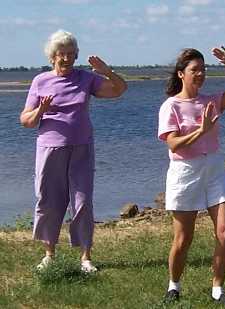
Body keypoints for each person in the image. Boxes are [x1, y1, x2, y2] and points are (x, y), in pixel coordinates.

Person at [20, 30, 127, 273]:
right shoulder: (40, 81)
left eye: (71, 54)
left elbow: (119, 90)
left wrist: (107, 71)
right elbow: (25, 120)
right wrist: (41, 111)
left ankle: (85, 257)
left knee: (82, 202)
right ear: (52, 56)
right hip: (49, 148)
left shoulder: (86, 78)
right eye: (62, 54)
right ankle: (49, 254)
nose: (67, 59)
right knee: (49, 201)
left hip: (81, 148)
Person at [158, 47, 225, 303]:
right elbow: (174, 144)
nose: (200, 74)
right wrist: (201, 131)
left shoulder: (211, 101)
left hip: (214, 169)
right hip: (185, 172)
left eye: (203, 69)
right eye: (194, 70)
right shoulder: (171, 106)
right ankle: (174, 286)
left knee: (224, 232)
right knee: (183, 238)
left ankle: (218, 290)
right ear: (181, 74)